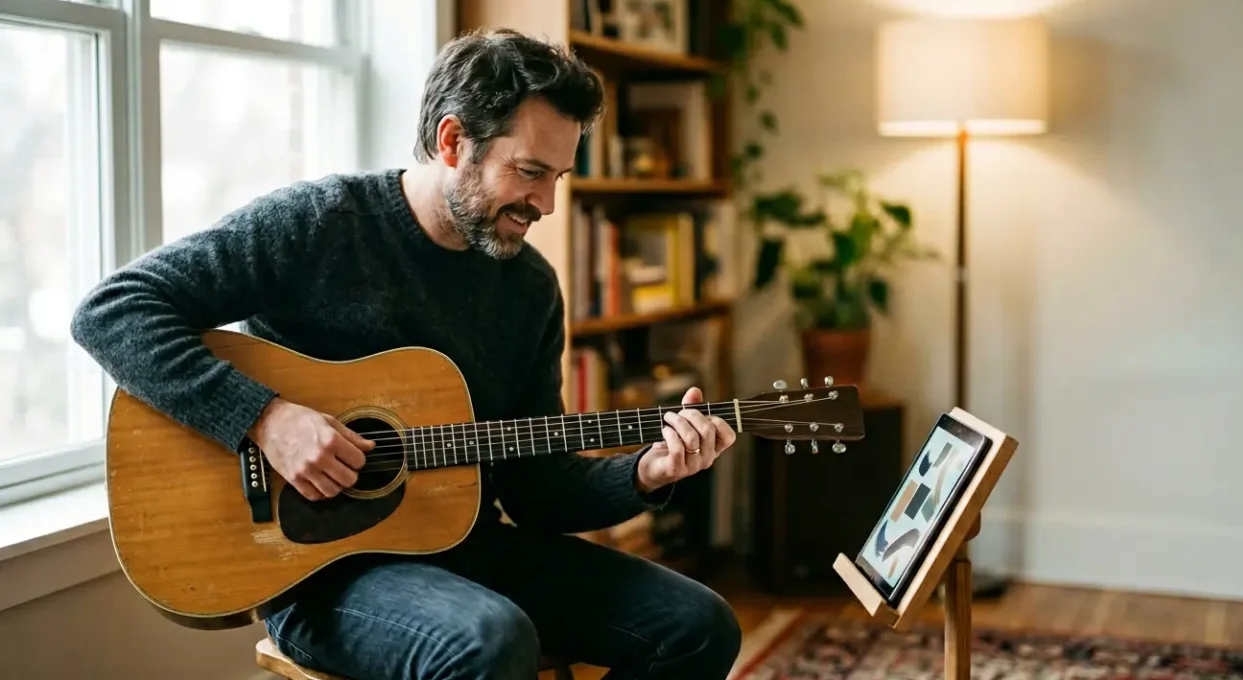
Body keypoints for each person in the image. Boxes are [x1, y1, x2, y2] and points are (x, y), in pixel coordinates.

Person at [70, 27, 742, 680]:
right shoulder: (318, 225)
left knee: (698, 625)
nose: (546, 203)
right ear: (454, 142)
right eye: (531, 172)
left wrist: (645, 474)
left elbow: (539, 492)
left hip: (465, 548)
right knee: (489, 641)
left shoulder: (530, 289)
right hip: (317, 570)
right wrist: (265, 419)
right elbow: (113, 310)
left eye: (559, 176)